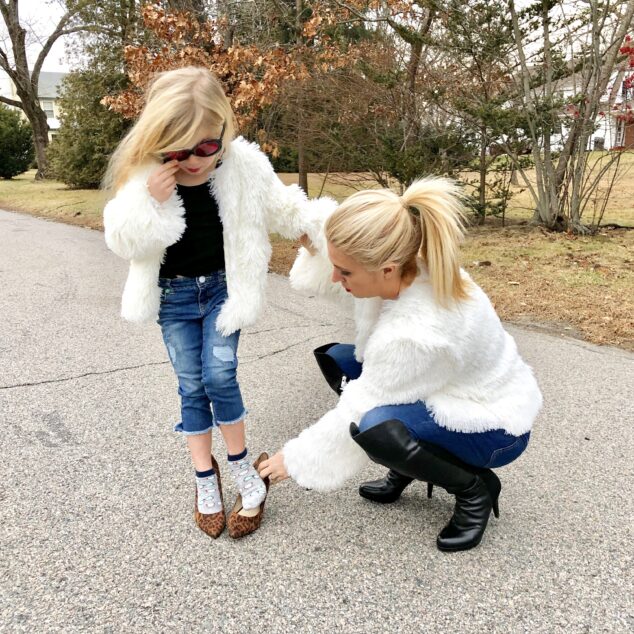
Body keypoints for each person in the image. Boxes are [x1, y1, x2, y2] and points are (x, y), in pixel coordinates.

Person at [259, 177, 543, 552]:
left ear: (387, 269)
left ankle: (473, 490)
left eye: (344, 271)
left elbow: (358, 407)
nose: (334, 276)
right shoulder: (411, 258)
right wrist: (316, 249)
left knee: (375, 426)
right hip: (452, 388)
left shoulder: (417, 332)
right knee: (340, 360)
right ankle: (409, 464)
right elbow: (356, 277)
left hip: (495, 427)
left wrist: (292, 459)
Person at [103, 66, 321, 539]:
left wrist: (318, 236)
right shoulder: (146, 176)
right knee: (190, 384)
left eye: (206, 146)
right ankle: (206, 475)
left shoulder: (245, 166)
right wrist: (147, 200)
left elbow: (283, 207)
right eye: (179, 151)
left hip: (225, 290)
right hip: (174, 295)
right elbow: (122, 239)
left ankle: (241, 466)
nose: (196, 161)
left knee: (219, 375)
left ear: (225, 126)